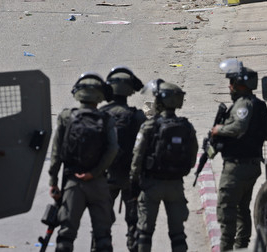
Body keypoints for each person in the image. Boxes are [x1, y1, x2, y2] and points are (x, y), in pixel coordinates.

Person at [48, 73, 118, 252]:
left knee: (65, 236)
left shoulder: (66, 117)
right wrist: (94, 173)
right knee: (103, 238)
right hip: (98, 184)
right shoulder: (107, 119)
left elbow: (56, 153)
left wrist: (53, 181)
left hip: (73, 184)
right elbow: (112, 149)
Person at [211, 59, 267, 251]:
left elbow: (239, 127)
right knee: (241, 209)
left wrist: (219, 129)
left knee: (226, 209)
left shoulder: (243, 105)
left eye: (232, 83)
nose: (229, 87)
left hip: (237, 167)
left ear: (240, 85)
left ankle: (226, 247)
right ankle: (241, 246)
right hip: (252, 166)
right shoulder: (259, 105)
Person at [130, 80, 197, 252]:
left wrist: (134, 182)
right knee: (178, 234)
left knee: (144, 233)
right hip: (175, 185)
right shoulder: (186, 127)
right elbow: (192, 159)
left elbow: (137, 157)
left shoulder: (149, 126)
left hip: (151, 185)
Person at [100, 67, 146, 250]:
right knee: (134, 222)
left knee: (101, 223)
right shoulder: (138, 116)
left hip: (105, 176)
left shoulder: (102, 114)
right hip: (130, 177)